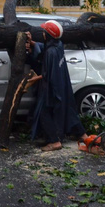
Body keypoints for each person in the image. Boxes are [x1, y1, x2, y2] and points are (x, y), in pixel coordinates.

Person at [27, 20, 87, 152]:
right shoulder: (58, 45)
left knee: (44, 112)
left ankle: (54, 141)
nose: (42, 34)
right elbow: (46, 47)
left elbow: (47, 76)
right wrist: (33, 43)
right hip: (63, 84)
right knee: (69, 110)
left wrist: (31, 81)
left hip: (52, 89)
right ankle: (83, 135)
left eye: (44, 32)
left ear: (47, 35)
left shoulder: (50, 53)